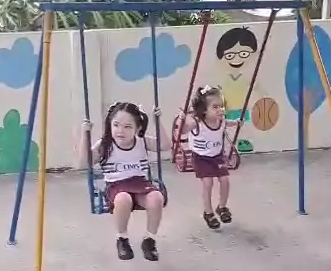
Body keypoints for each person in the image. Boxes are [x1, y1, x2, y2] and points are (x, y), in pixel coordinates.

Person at [81, 101, 170, 261]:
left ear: (138, 129)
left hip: (140, 183)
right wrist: (84, 134)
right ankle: (122, 238)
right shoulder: (106, 144)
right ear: (110, 125)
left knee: (157, 197)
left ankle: (149, 240)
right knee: (123, 199)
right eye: (116, 125)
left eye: (128, 127)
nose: (120, 130)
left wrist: (158, 122)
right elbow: (84, 162)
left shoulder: (142, 141)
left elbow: (165, 145)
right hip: (116, 186)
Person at [179, 85, 240, 229]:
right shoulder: (197, 123)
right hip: (201, 158)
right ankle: (208, 212)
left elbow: (228, 123)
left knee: (225, 180)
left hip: (217, 156)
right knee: (208, 183)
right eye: (215, 107)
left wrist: (237, 122)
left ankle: (222, 207)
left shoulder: (221, 121)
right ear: (204, 110)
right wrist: (183, 121)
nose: (220, 110)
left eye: (221, 106)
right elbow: (183, 130)